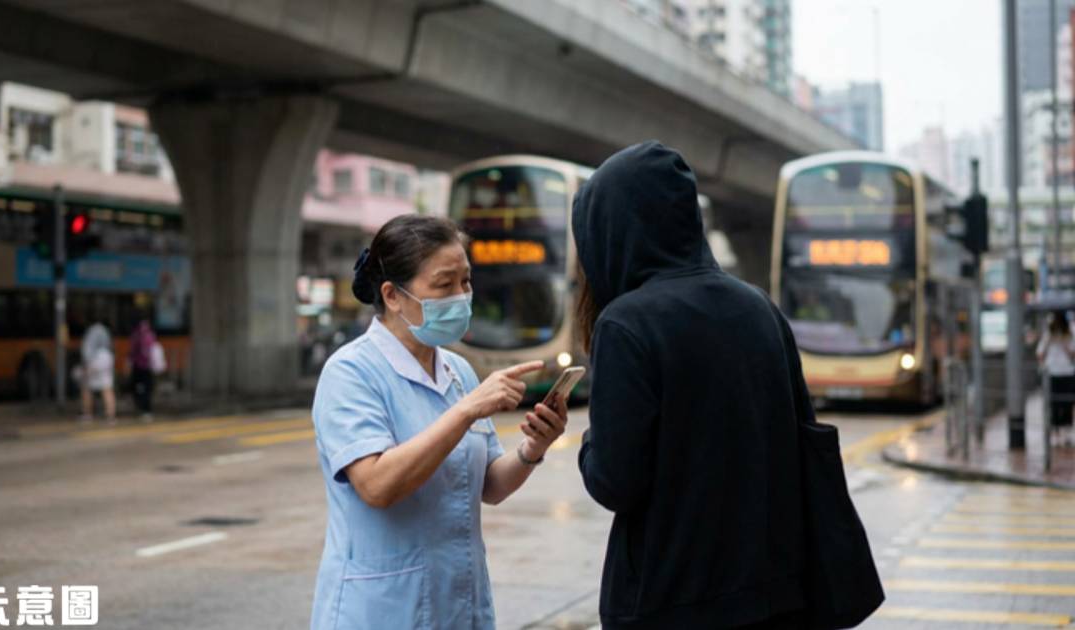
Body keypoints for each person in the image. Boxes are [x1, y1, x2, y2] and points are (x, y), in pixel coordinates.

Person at [573, 141, 807, 629]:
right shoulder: (759, 308)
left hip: (668, 600)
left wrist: (588, 444)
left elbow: (614, 482)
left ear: (610, 231)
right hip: (771, 594)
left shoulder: (626, 324)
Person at [309, 214, 569, 630]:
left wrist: (532, 449)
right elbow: (377, 485)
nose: (461, 296)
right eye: (444, 285)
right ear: (393, 295)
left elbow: (488, 486)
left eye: (465, 282)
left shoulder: (458, 371)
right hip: (382, 611)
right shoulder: (351, 373)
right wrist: (465, 411)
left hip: (460, 604)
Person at [1037, 310, 1075, 446]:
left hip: (1067, 372)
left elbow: (1073, 354)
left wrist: (1064, 343)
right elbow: (1040, 353)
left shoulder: (1070, 335)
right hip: (1053, 372)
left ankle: (1066, 432)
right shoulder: (1048, 335)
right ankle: (1056, 432)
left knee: (1067, 403)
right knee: (1054, 404)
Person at [79, 321, 116, 425]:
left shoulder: (92, 333)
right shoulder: (106, 334)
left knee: (87, 389)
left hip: (95, 361)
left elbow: (87, 351)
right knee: (107, 389)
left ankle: (88, 414)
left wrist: (86, 369)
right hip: (107, 361)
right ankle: (110, 416)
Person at [129, 319, 158, 422]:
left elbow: (132, 352)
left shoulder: (135, 335)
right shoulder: (150, 336)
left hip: (138, 367)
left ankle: (141, 408)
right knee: (147, 389)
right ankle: (147, 410)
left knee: (138, 388)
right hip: (147, 367)